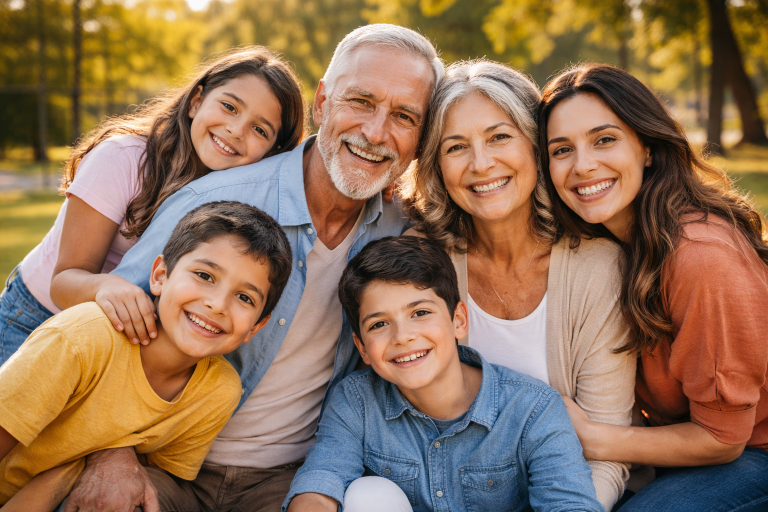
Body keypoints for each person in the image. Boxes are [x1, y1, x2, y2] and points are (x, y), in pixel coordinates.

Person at [58, 24, 444, 512]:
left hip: (287, 478)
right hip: (162, 462)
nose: (375, 132)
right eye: (361, 102)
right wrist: (110, 453)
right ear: (322, 103)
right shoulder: (215, 199)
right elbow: (108, 326)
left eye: (404, 116)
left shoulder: (400, 231)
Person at [400, 59, 635, 510]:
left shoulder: (599, 268)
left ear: (536, 146)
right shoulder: (424, 262)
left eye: (499, 137)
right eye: (456, 147)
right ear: (436, 164)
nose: (481, 164)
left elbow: (606, 453)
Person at [539, 63, 768, 511]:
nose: (583, 166)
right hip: (683, 444)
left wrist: (594, 439)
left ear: (646, 146)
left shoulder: (700, 258)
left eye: (605, 140)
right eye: (562, 149)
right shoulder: (602, 241)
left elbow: (723, 440)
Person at [0, 46, 305, 364]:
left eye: (259, 129)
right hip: (34, 318)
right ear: (197, 101)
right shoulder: (123, 158)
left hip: (116, 337)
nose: (236, 130)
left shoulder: (241, 200)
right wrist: (108, 285)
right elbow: (63, 282)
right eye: (229, 107)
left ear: (273, 151)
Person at [0, 201, 293, 511]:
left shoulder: (218, 391)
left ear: (256, 327)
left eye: (244, 297)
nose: (218, 304)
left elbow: (151, 476)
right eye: (205, 276)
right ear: (160, 275)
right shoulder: (82, 340)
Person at [283, 236, 603, 512]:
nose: (402, 336)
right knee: (368, 495)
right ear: (363, 348)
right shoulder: (356, 400)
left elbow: (570, 503)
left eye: (420, 313)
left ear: (458, 320)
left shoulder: (534, 407)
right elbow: (322, 480)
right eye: (379, 324)